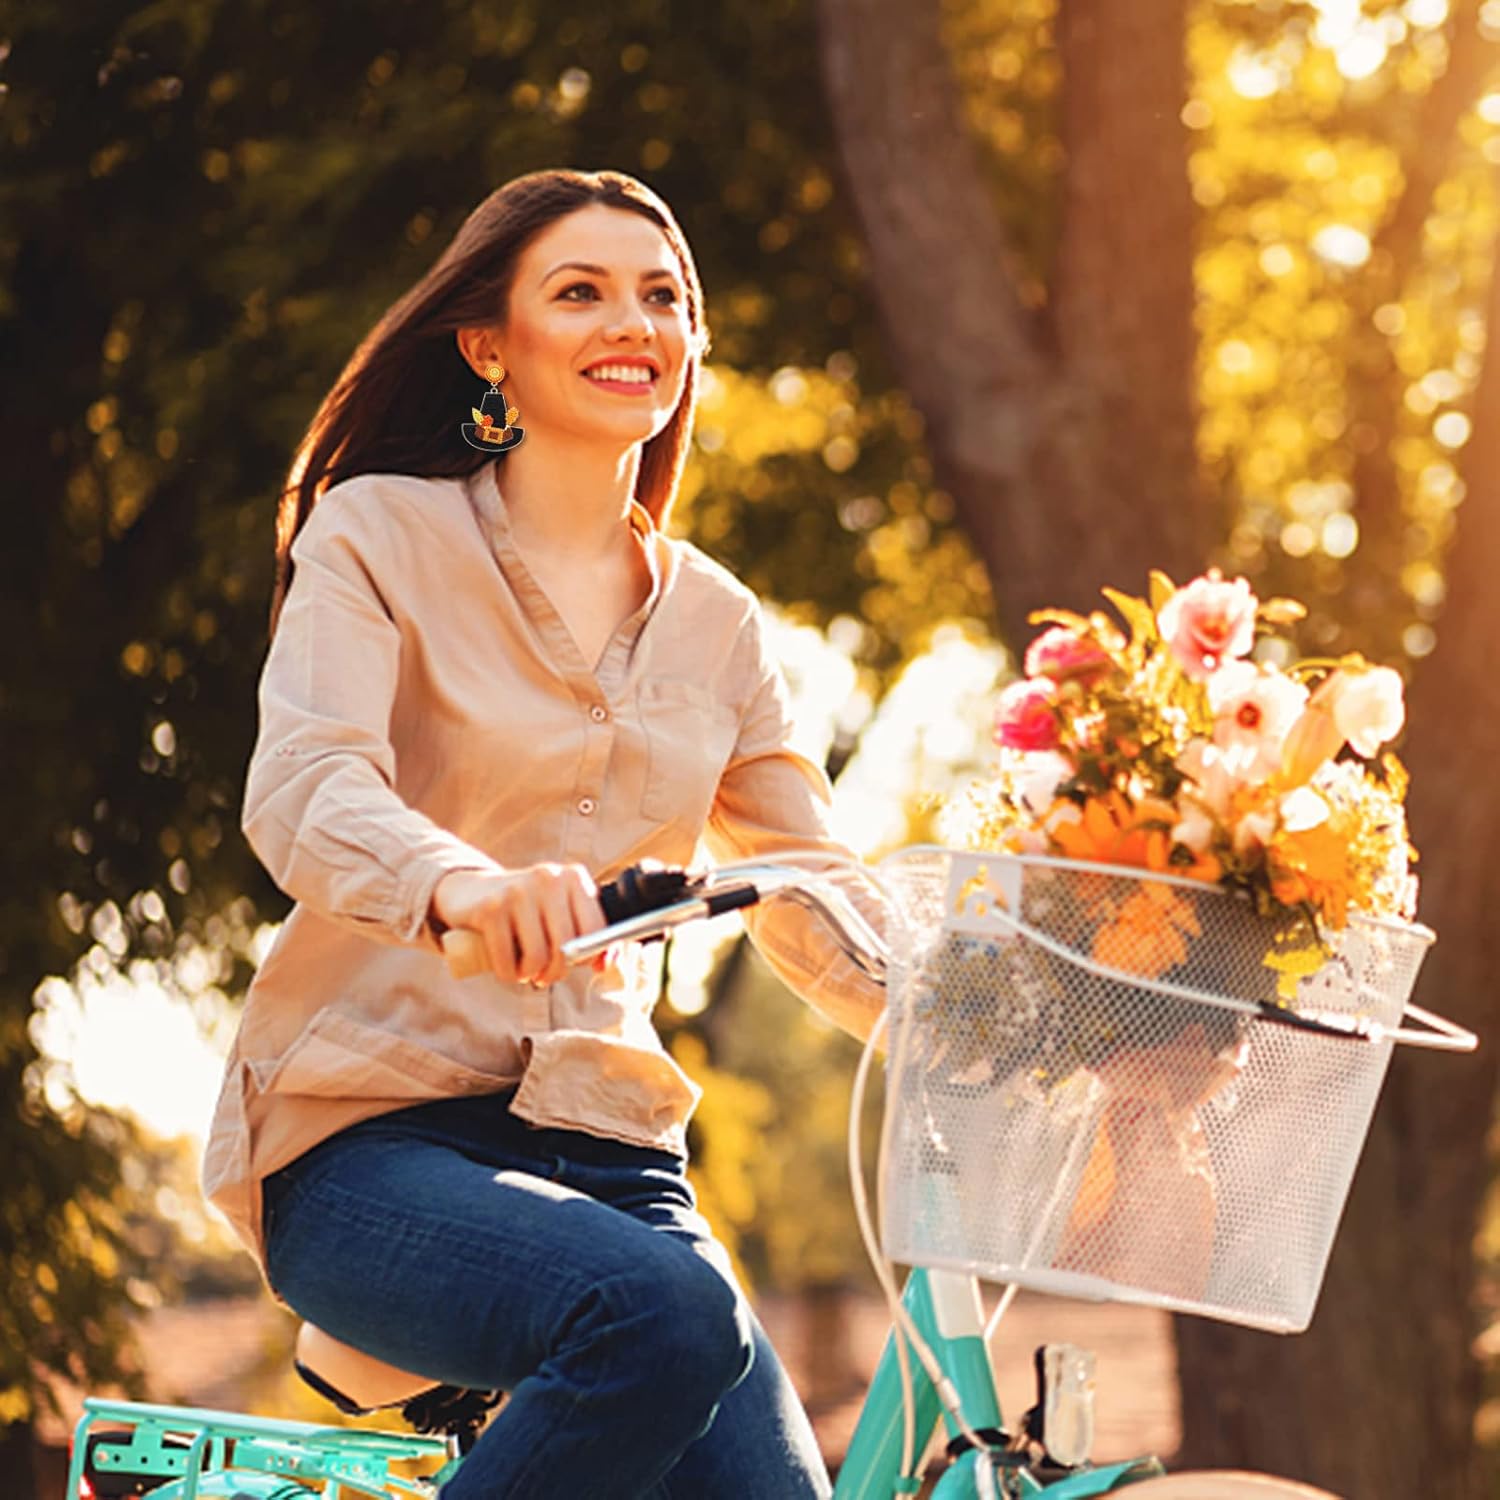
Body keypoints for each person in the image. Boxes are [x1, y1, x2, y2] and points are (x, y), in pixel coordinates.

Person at [201, 167, 885, 1498]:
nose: (632, 323)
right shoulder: (379, 535)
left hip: (614, 1156)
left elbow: (822, 891)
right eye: (579, 293)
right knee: (665, 1318)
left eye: (662, 298)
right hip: (371, 1136)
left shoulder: (719, 622)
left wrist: (1039, 1040)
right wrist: (459, 888)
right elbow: (304, 785)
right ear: (487, 345)